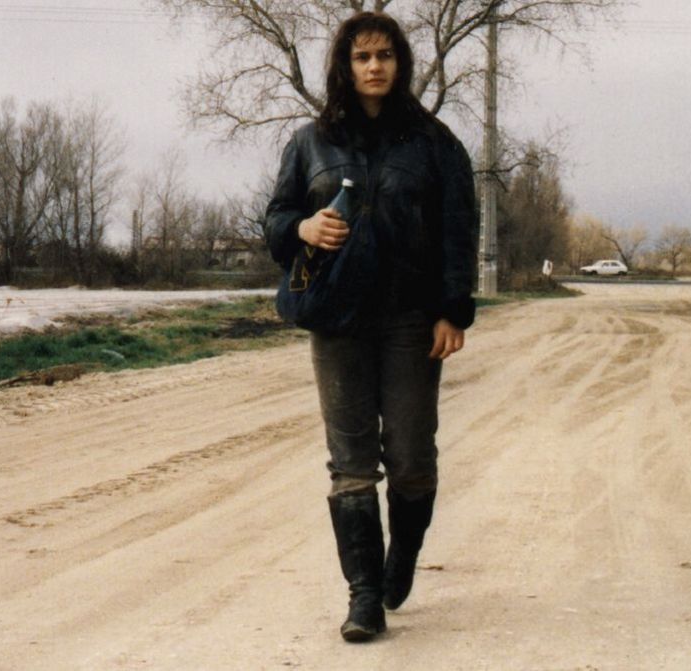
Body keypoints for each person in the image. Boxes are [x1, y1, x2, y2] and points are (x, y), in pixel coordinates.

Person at [265, 11, 477, 643]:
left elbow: (458, 232)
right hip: (338, 318)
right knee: (350, 462)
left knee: (411, 457)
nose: (375, 66)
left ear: (400, 64)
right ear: (345, 66)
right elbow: (276, 220)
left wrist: (452, 310)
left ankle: (401, 557)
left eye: (385, 56)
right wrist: (302, 228)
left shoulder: (435, 142)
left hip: (412, 319)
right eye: (362, 57)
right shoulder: (310, 142)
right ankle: (364, 598)